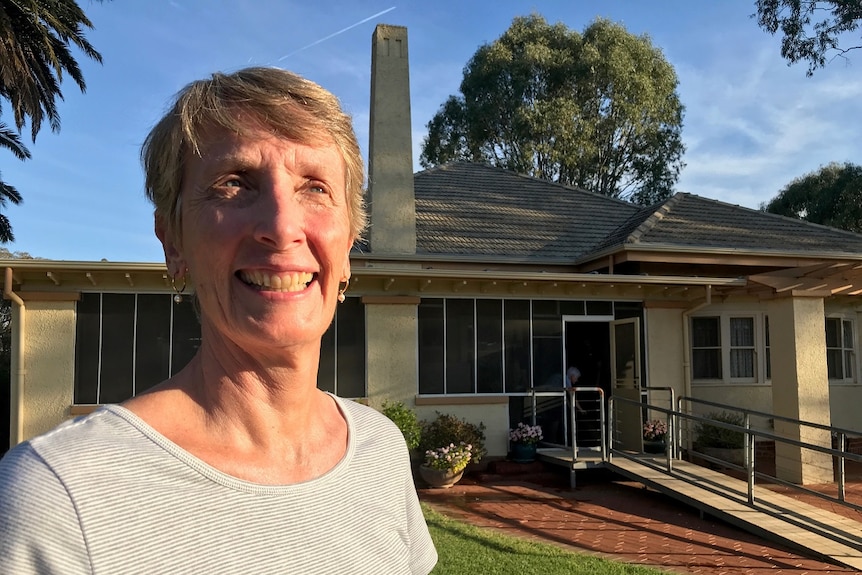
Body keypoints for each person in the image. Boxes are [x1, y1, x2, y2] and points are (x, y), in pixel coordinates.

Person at [0, 67, 437, 574]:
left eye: (315, 188)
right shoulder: (58, 493)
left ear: (347, 252)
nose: (281, 227)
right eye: (234, 183)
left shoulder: (379, 449)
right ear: (173, 242)